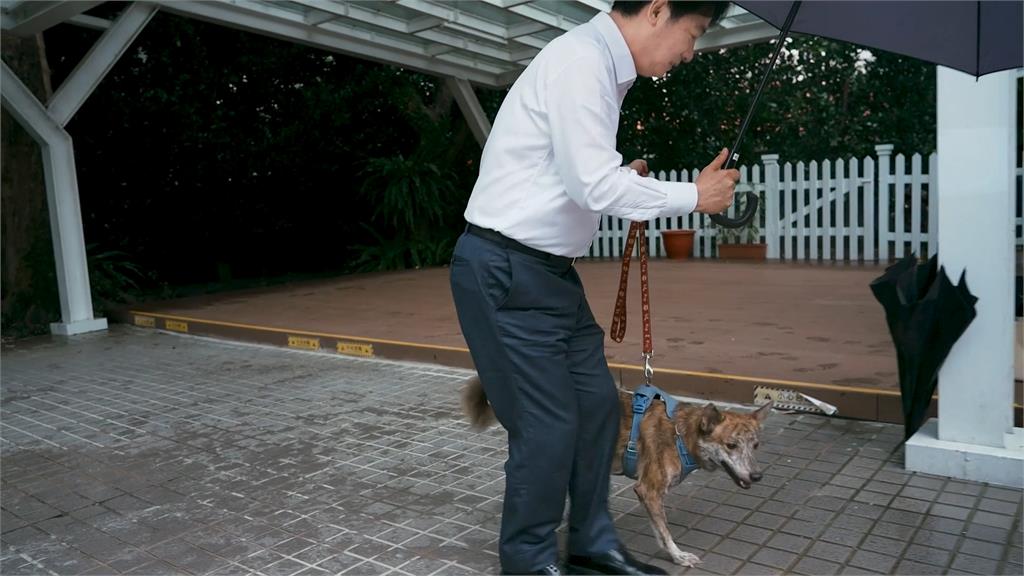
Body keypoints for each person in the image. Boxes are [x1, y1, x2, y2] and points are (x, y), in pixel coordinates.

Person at [449, 1, 739, 574]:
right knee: (548, 426)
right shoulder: (582, 61)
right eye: (694, 32)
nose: (690, 51)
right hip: (505, 269)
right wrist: (692, 197)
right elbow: (591, 187)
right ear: (658, 9)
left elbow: (572, 178)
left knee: (598, 408)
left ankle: (590, 545)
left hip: (550, 274)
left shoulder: (604, 70)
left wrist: (618, 181)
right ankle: (528, 561)